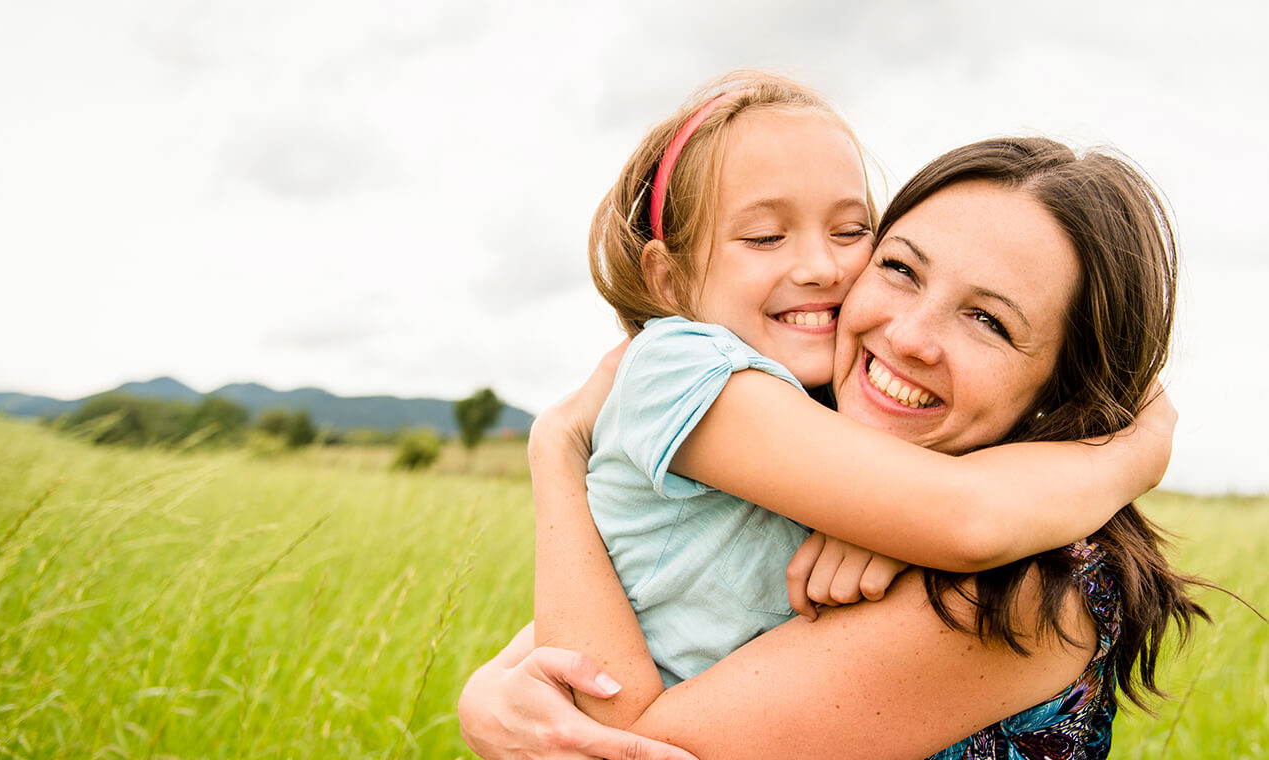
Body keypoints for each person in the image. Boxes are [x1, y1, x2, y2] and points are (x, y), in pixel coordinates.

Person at [458, 135, 1206, 759]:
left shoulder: (1023, 588)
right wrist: (489, 693)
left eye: (989, 321)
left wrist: (557, 452)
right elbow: (634, 606)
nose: (908, 336)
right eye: (900, 268)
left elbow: (603, 740)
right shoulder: (818, 473)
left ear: (1062, 386)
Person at [545, 72, 1172, 696]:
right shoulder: (681, 365)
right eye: (765, 237)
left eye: (850, 232)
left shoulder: (823, 408)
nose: (821, 268)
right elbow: (964, 517)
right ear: (669, 282)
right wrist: (1140, 450)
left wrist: (895, 531)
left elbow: (950, 514)